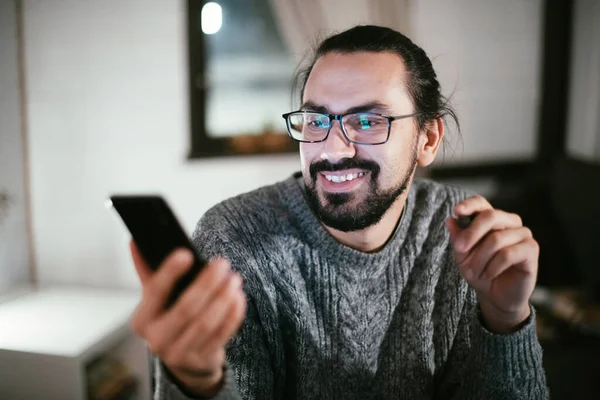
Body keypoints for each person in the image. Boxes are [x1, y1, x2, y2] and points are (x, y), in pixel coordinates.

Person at [129, 25, 548, 399]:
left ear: (428, 138)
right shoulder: (236, 240)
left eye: (366, 122)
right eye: (316, 120)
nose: (331, 150)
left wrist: (506, 319)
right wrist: (198, 383)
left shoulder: (463, 236)